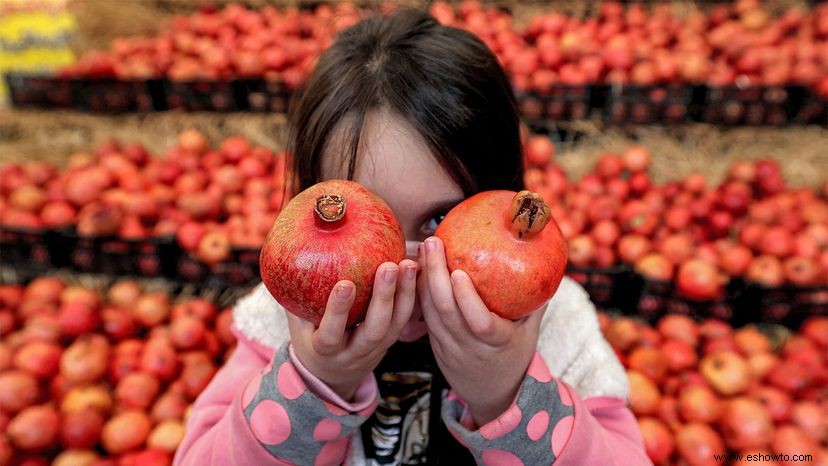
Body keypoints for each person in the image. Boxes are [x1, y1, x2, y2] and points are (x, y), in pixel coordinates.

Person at [174, 8, 649, 466]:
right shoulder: (282, 323)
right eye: (366, 218)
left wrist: (506, 393)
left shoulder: (555, 327)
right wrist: (316, 380)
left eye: (439, 221)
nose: (399, 271)